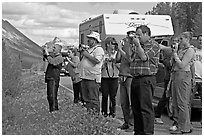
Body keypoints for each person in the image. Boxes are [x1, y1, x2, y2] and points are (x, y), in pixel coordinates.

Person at [130, 25, 160, 135]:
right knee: (136, 108)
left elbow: (144, 57)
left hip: (146, 79)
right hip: (136, 78)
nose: (136, 37)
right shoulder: (137, 46)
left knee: (145, 108)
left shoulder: (154, 45)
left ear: (146, 34)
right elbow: (130, 59)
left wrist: (137, 45)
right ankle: (138, 132)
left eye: (139, 35)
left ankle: (148, 133)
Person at [170, 32, 195, 134]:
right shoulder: (180, 50)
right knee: (175, 102)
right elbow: (172, 63)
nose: (179, 41)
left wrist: (175, 54)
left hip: (183, 75)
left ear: (187, 39)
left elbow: (182, 64)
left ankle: (184, 127)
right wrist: (174, 53)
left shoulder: (190, 50)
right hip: (175, 75)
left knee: (182, 103)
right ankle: (184, 124)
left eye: (181, 39)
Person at [154, 36, 180, 124]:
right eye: (173, 41)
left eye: (177, 41)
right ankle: (157, 115)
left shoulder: (181, 51)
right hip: (168, 77)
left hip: (178, 77)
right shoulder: (167, 52)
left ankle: (179, 119)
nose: (175, 43)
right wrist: (173, 54)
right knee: (166, 96)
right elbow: (168, 64)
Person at [80, 31, 104, 114]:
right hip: (85, 77)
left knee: (93, 99)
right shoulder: (89, 49)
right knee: (86, 98)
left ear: (95, 40)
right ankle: (89, 114)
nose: (88, 41)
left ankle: (95, 115)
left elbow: (96, 61)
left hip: (93, 78)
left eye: (90, 39)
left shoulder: (99, 49)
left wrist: (86, 55)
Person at [116, 29, 134, 131]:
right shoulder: (125, 45)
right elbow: (118, 59)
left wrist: (121, 49)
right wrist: (119, 48)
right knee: (124, 102)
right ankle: (126, 122)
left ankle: (131, 124)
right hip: (122, 74)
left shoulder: (135, 46)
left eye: (130, 36)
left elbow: (129, 59)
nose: (128, 38)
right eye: (128, 36)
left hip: (130, 76)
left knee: (131, 102)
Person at [101, 37, 119, 118]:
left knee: (113, 96)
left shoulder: (116, 54)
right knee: (104, 95)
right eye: (112, 44)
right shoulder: (103, 54)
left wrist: (114, 61)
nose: (114, 46)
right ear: (108, 44)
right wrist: (105, 62)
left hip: (114, 77)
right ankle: (104, 111)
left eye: (115, 44)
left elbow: (120, 65)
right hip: (105, 77)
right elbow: (99, 67)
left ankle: (112, 112)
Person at [44, 42, 64, 113]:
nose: (53, 49)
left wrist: (47, 53)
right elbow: (47, 59)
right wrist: (45, 53)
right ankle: (52, 111)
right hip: (50, 78)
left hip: (54, 79)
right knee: (50, 96)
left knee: (52, 96)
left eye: (54, 48)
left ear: (59, 49)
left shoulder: (60, 58)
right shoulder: (54, 57)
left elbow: (53, 62)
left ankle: (54, 111)